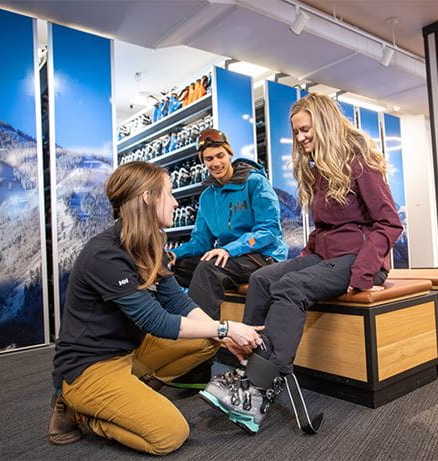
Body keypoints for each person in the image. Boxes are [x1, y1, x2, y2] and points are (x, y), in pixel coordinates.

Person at [199, 93, 403, 434]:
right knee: (263, 278)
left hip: (359, 258)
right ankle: (251, 366)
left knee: (291, 287)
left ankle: (255, 388)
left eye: (306, 130)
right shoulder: (318, 166)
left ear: (325, 124)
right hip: (326, 255)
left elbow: (389, 223)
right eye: (296, 132)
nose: (300, 137)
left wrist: (364, 273)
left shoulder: (359, 161)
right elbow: (324, 227)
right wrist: (306, 257)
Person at [48, 161, 264, 455]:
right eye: (169, 193)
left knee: (208, 339)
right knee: (170, 435)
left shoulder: (150, 246)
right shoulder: (104, 254)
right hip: (90, 366)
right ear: (148, 198)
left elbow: (177, 301)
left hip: (130, 351)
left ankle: (135, 395)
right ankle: (80, 413)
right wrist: (227, 329)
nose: (175, 202)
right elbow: (157, 321)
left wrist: (222, 335)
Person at [170, 128, 288, 320]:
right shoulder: (207, 196)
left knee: (209, 268)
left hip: (263, 256)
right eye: (209, 159)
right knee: (174, 267)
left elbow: (269, 230)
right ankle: (169, 326)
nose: (216, 163)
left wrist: (229, 249)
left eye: (220, 155)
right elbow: (201, 241)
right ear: (203, 162)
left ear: (230, 154)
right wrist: (174, 254)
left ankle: (205, 332)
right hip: (231, 260)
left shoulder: (255, 183)